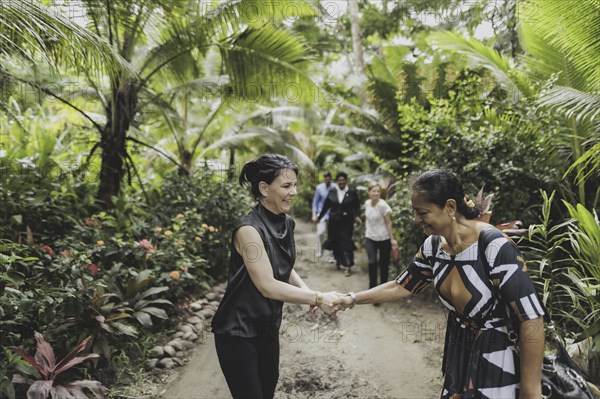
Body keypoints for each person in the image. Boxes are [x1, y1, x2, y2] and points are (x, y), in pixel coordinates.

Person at [335, 169, 545, 399]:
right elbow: (401, 286)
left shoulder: (495, 247)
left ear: (450, 207)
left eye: (422, 212)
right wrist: (352, 299)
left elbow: (531, 317)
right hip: (459, 354)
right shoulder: (433, 247)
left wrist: (531, 389)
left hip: (497, 360)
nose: (416, 220)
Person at [211, 154, 340, 399]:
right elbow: (267, 285)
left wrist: (305, 290)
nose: (294, 192)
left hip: (267, 328)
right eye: (286, 186)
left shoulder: (287, 223)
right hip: (237, 331)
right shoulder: (248, 230)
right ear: (264, 188)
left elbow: (281, 266)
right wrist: (317, 298)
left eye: (294, 185)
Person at [317, 172, 361, 277]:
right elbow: (326, 206)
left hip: (347, 222)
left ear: (346, 181)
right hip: (334, 222)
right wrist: (319, 217)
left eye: (343, 180)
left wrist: (357, 216)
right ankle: (339, 261)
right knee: (335, 241)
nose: (341, 182)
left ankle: (348, 266)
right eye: (339, 180)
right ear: (337, 181)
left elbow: (357, 206)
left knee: (346, 242)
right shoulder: (332, 191)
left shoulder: (351, 192)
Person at [364, 181, 398, 289]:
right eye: (373, 191)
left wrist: (392, 239)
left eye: (378, 191)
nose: (376, 193)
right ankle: (372, 289)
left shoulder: (383, 205)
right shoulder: (367, 204)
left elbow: (388, 222)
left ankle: (383, 289)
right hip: (370, 237)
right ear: (369, 192)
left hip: (384, 238)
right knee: (372, 262)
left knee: (384, 265)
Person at [311, 171, 335, 262]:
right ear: (324, 178)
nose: (327, 180)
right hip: (322, 214)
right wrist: (314, 214)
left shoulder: (335, 187)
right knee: (321, 233)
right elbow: (315, 202)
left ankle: (331, 255)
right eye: (325, 178)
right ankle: (321, 248)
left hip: (333, 215)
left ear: (331, 178)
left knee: (332, 235)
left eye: (328, 178)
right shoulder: (319, 188)